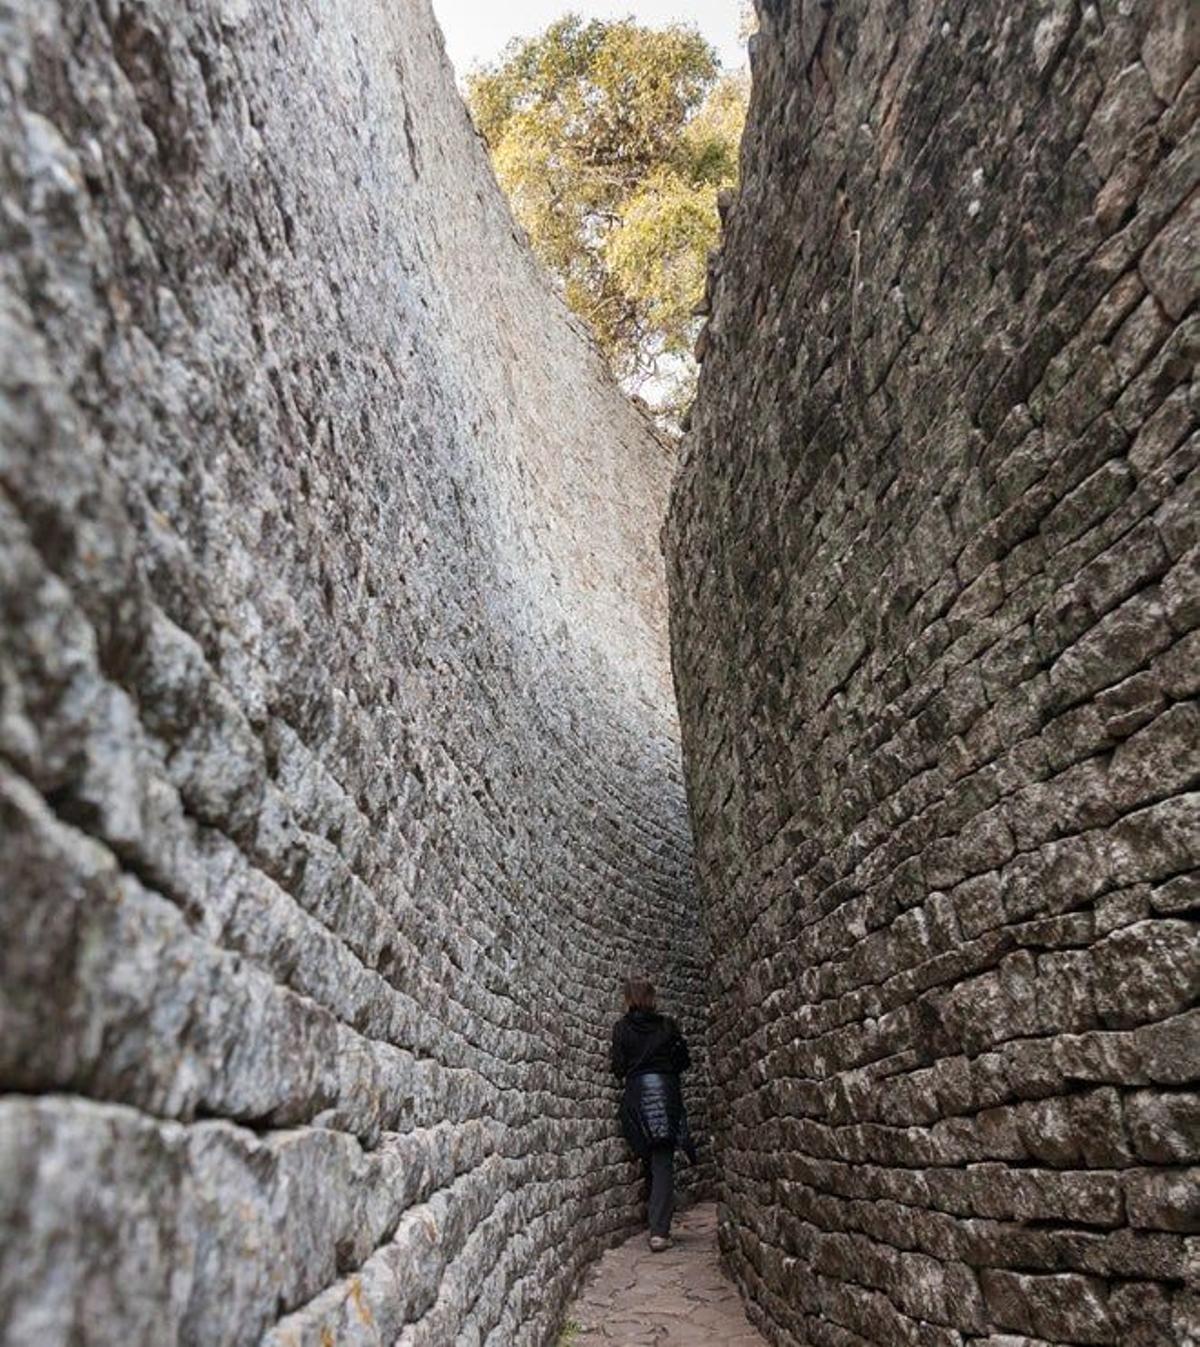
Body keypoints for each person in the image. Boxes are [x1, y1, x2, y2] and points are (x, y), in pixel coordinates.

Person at [610, 975, 697, 1251]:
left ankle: (657, 1219)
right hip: (665, 1095)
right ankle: (659, 1229)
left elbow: (618, 1067)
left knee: (650, 1155)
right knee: (662, 1161)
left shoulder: (622, 1028)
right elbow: (683, 1060)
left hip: (637, 1095)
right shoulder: (667, 1026)